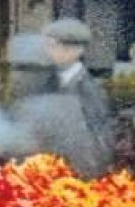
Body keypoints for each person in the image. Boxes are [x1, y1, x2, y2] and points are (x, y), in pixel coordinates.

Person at [41, 17, 115, 177]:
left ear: (75, 50)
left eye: (54, 46)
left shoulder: (89, 89)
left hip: (78, 172)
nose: (48, 52)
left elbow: (99, 138)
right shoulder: (49, 83)